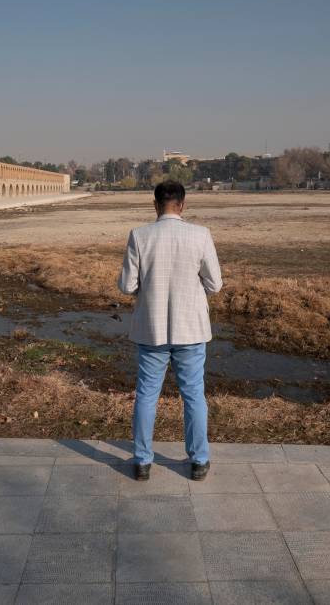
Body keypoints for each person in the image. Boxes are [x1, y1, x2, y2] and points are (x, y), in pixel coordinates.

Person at [118, 180, 223, 481]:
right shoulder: (200, 235)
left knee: (147, 396)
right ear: (183, 204)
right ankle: (199, 460)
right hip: (191, 329)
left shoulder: (140, 236)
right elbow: (215, 284)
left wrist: (146, 287)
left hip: (152, 330)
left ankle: (142, 461)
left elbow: (127, 286)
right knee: (194, 396)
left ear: (155, 205)